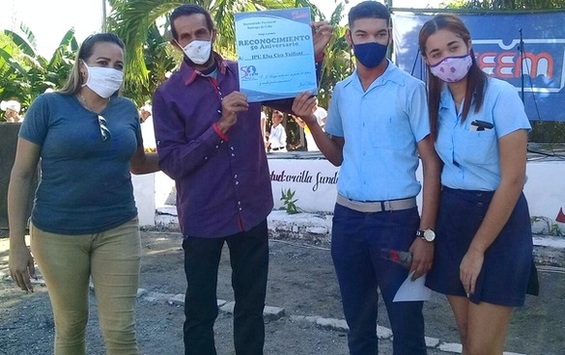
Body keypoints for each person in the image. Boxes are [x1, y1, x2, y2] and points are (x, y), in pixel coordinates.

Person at [151, 4, 332, 355]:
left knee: (251, 308)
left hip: (250, 209)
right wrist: (219, 128)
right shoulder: (168, 94)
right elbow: (173, 163)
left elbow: (294, 100)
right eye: (185, 36)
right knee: (200, 311)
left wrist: (313, 54)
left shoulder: (247, 74)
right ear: (176, 44)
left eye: (199, 33)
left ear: (213, 34)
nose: (194, 41)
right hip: (203, 216)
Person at [292, 2, 441, 354]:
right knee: (358, 326)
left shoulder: (411, 88)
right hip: (347, 222)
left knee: (407, 326)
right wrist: (311, 122)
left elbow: (432, 164)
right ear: (349, 38)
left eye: (379, 34)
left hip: (398, 223)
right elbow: (337, 156)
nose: (371, 41)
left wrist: (426, 234)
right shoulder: (342, 91)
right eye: (362, 34)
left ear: (389, 36)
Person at [8, 33, 160, 355]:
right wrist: (17, 245)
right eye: (102, 62)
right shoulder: (48, 106)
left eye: (118, 65)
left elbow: (140, 163)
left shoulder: (127, 110)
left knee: (121, 332)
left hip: (118, 229)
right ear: (82, 66)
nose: (111, 70)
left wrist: (197, 150)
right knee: (71, 325)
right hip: (56, 234)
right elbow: (22, 175)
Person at [418, 14, 536, 354]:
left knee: (483, 348)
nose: (447, 59)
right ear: (427, 60)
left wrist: (478, 248)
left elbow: (514, 178)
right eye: (436, 54)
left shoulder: (502, 95)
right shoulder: (434, 104)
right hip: (453, 218)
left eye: (453, 48)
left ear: (469, 46)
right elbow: (435, 170)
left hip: (498, 222)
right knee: (469, 339)